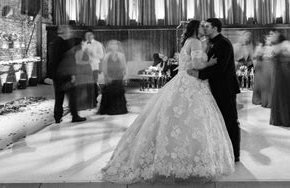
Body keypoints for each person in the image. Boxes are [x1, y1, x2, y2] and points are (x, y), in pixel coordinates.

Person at [101, 20, 234, 183]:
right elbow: (198, 64)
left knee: (175, 120)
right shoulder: (195, 42)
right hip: (192, 84)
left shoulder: (189, 41)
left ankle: (173, 158)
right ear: (195, 29)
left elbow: (188, 62)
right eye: (201, 26)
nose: (204, 28)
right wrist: (210, 62)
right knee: (192, 121)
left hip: (183, 81)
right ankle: (190, 160)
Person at [188, 18, 241, 162]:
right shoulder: (210, 42)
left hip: (225, 88)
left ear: (215, 28)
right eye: (203, 26)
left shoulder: (223, 43)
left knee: (230, 120)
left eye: (207, 26)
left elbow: (220, 68)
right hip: (214, 87)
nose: (204, 28)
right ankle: (224, 151)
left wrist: (200, 74)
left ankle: (234, 153)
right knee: (219, 121)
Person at [45, 25, 86, 123]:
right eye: (68, 32)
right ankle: (74, 116)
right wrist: (72, 74)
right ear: (65, 32)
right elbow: (66, 61)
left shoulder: (57, 42)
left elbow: (53, 61)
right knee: (71, 96)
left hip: (58, 75)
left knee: (59, 97)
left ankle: (58, 118)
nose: (70, 33)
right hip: (65, 74)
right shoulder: (62, 44)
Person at [269, 31, 290, 127]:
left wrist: (281, 53)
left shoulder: (287, 43)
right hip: (278, 72)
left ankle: (289, 119)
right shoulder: (274, 46)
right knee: (279, 94)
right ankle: (280, 119)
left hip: (287, 70)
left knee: (288, 93)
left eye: (273, 34)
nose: (271, 36)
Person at [98, 40, 128, 115]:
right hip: (110, 76)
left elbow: (124, 66)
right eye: (112, 44)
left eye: (115, 45)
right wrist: (106, 76)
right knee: (109, 92)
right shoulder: (106, 55)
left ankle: (120, 110)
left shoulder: (121, 55)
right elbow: (104, 67)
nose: (114, 46)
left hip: (119, 76)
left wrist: (125, 76)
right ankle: (109, 109)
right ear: (109, 46)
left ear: (118, 46)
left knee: (118, 92)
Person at [252, 33, 275, 108]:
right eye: (267, 39)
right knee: (265, 84)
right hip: (264, 65)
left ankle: (270, 102)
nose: (269, 40)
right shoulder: (261, 47)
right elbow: (255, 56)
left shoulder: (274, 47)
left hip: (271, 65)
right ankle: (264, 101)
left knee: (270, 84)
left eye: (269, 39)